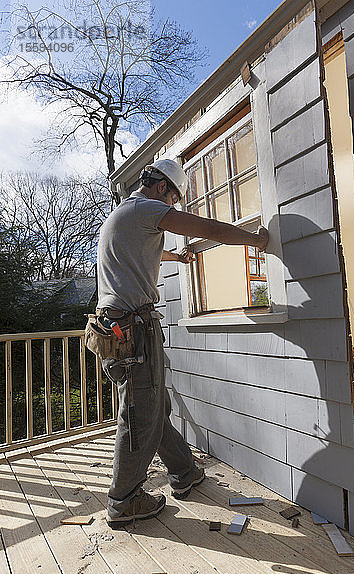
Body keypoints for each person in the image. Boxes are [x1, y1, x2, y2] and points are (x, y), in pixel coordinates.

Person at [96, 158, 269, 528]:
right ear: (162, 189)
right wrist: (254, 239)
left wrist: (177, 256)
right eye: (173, 200)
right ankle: (123, 501)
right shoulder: (148, 208)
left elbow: (147, 252)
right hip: (134, 330)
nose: (171, 208)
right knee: (140, 413)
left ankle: (184, 472)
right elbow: (209, 228)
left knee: (154, 406)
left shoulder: (124, 216)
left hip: (116, 329)